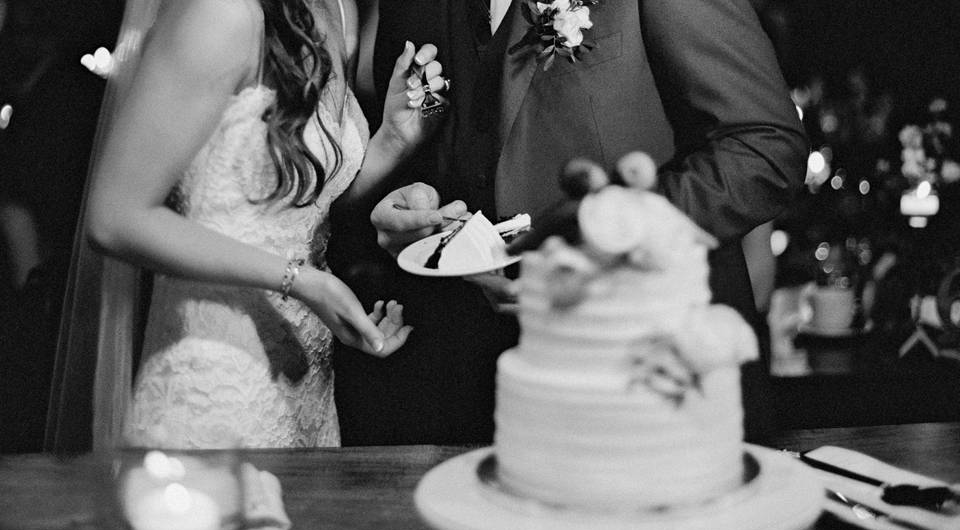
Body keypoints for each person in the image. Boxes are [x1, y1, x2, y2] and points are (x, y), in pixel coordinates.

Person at [328, 0, 808, 445]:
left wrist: (606, 234)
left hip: (649, 371)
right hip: (474, 385)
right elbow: (430, 144)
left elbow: (764, 146)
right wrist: (411, 203)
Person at [77, 0, 452, 448]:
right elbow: (115, 219)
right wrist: (304, 283)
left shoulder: (338, 7)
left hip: (306, 382)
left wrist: (392, 140)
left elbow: (301, 207)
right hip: (213, 379)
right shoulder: (218, 13)